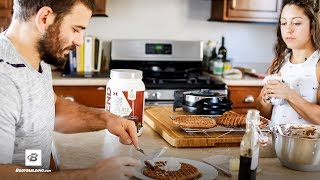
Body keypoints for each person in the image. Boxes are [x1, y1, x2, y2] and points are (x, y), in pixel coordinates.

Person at [0, 0, 142, 179]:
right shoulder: (4, 77)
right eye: (76, 29)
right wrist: (91, 176)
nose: (80, 41)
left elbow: (53, 108)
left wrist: (105, 118)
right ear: (45, 18)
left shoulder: (37, 56)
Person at [257, 0, 320, 124]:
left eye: (296, 23)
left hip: (307, 143)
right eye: (284, 23)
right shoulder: (278, 62)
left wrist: (289, 95)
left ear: (313, 27)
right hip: (278, 142)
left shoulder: (317, 65)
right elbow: (262, 114)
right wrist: (266, 99)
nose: (288, 29)